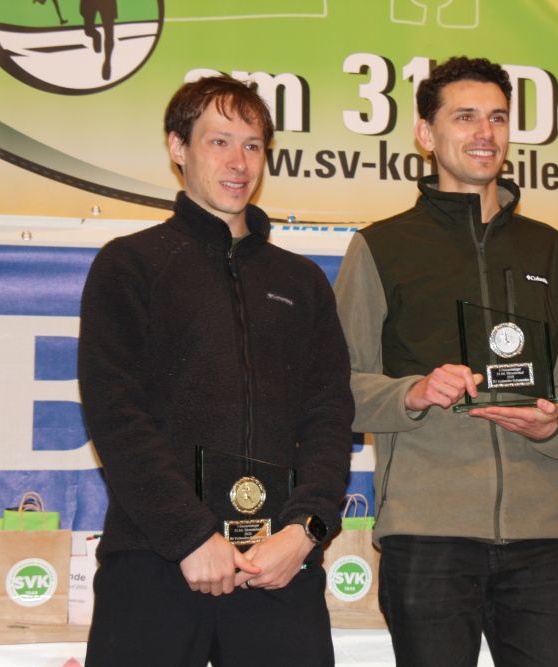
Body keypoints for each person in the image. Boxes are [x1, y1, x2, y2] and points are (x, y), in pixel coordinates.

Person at [77, 75, 354, 666]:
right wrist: (188, 535)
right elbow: (115, 415)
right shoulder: (130, 264)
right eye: (219, 142)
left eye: (252, 145)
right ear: (178, 147)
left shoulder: (302, 281)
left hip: (278, 568)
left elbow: (330, 416)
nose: (239, 163)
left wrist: (305, 530)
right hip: (156, 561)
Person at [333, 55, 558, 667]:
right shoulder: (381, 247)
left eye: (498, 118)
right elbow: (336, 390)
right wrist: (412, 393)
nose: (485, 133)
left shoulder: (552, 250)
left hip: (537, 538)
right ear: (426, 133)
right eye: (465, 116)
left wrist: (556, 425)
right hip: (428, 535)